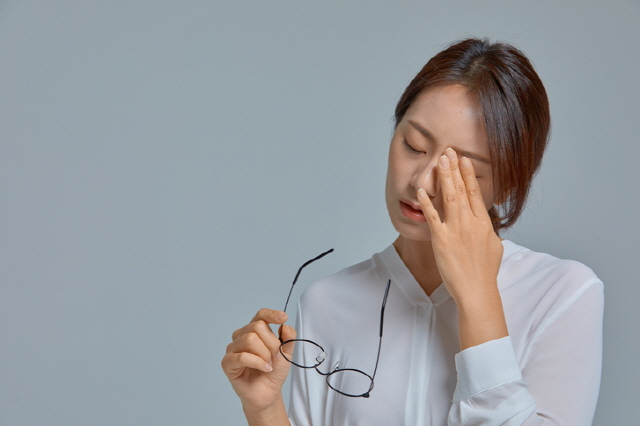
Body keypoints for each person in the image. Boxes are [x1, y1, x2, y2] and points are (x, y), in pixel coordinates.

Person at [221, 38, 604, 426]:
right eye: (414, 145)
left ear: (507, 185)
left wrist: (477, 297)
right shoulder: (327, 303)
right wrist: (264, 409)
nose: (422, 182)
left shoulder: (563, 295)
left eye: (463, 169)